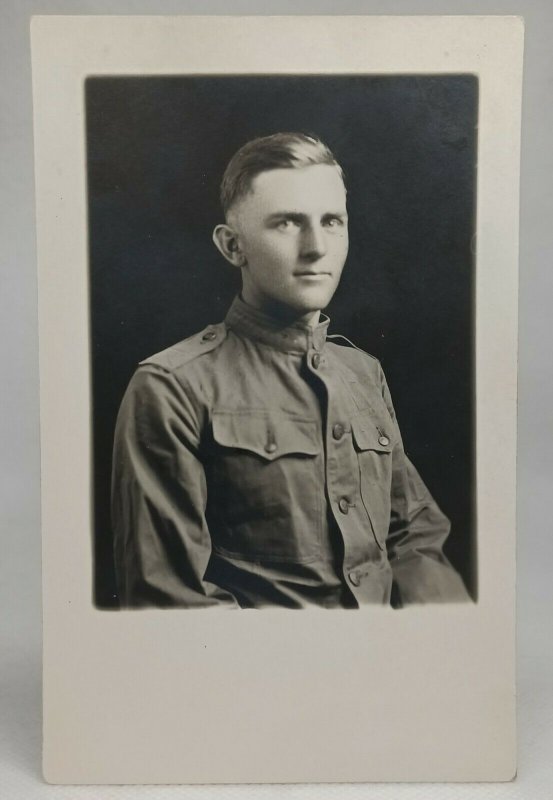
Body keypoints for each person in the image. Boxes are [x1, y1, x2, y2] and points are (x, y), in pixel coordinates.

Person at [111, 131, 469, 609]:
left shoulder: (362, 372)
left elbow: (412, 535)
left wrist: (447, 637)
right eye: (286, 223)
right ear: (232, 246)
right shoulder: (171, 388)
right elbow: (170, 599)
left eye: (332, 221)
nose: (316, 247)